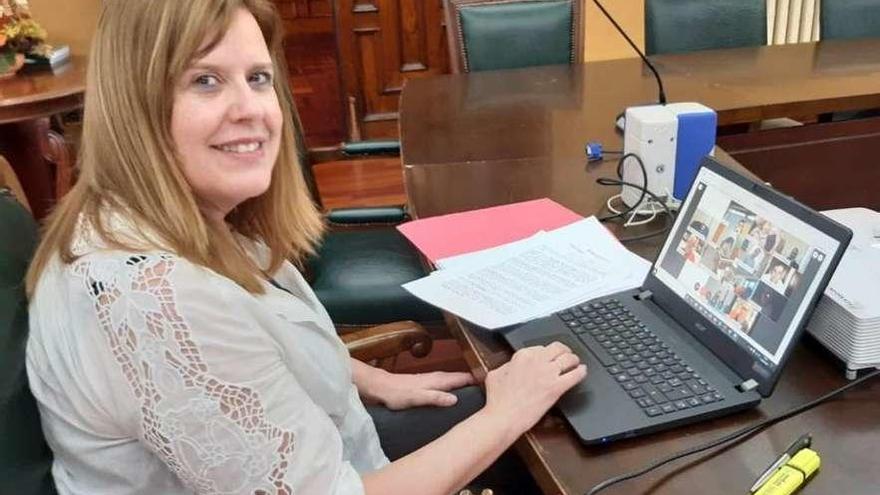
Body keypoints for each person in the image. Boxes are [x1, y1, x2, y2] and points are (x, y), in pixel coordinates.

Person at [23, 1, 587, 494]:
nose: (252, 109)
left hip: (331, 446)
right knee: (560, 441)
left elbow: (251, 354)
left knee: (559, 423)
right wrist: (507, 411)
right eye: (205, 80)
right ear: (135, 104)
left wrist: (370, 379)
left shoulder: (142, 218)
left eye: (259, 78)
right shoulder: (158, 301)